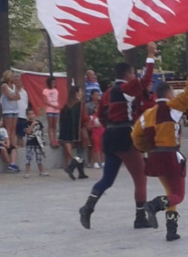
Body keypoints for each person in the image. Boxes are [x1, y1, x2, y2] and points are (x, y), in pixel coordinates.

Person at [78, 42, 156, 230]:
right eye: (132, 74)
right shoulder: (127, 89)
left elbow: (101, 116)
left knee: (108, 179)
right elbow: (145, 80)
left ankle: (88, 207)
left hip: (109, 135)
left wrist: (110, 127)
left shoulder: (106, 93)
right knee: (140, 178)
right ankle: (139, 217)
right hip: (124, 135)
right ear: (128, 75)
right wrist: (150, 55)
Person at [133, 51, 188, 241]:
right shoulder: (173, 107)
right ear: (169, 94)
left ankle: (171, 230)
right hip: (171, 156)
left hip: (154, 157)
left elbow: (136, 136)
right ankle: (154, 205)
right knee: (178, 195)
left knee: (170, 192)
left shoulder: (147, 114)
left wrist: (145, 148)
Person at [59, 86, 90, 180]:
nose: (82, 93)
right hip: (80, 131)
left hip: (71, 132)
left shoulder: (67, 105)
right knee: (81, 152)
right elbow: (84, 118)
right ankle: (70, 167)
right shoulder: (80, 104)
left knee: (80, 151)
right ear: (76, 93)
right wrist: (89, 120)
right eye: (80, 91)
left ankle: (81, 173)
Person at [23, 108, 49, 178]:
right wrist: (32, 125)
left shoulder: (39, 123)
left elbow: (41, 133)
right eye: (29, 114)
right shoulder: (26, 123)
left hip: (38, 143)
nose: (31, 116)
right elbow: (28, 132)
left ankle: (41, 171)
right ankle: (27, 172)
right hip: (30, 143)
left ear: (35, 115)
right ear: (27, 116)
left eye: (32, 114)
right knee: (28, 158)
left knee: (39, 158)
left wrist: (42, 142)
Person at [0, 69, 20, 148]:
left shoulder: (14, 86)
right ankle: (8, 143)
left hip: (15, 108)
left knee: (13, 128)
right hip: (8, 109)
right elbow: (10, 96)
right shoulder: (4, 86)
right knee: (8, 128)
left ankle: (13, 143)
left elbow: (18, 97)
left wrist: (14, 97)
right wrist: (14, 97)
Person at [42, 76, 60, 147]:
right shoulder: (45, 91)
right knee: (50, 125)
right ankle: (51, 140)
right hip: (49, 109)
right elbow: (45, 101)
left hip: (56, 110)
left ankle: (55, 140)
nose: (54, 84)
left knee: (55, 125)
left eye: (55, 83)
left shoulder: (56, 90)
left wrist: (57, 106)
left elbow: (57, 100)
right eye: (52, 82)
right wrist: (53, 106)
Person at [86, 89, 102, 167]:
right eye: (95, 95)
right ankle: (90, 161)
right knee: (90, 145)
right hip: (91, 123)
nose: (97, 96)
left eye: (98, 95)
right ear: (91, 95)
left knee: (100, 144)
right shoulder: (88, 105)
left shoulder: (101, 104)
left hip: (99, 126)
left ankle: (100, 161)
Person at [14, 74, 29, 148]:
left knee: (20, 135)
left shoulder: (24, 92)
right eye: (16, 80)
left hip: (22, 116)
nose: (18, 82)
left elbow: (25, 103)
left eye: (19, 80)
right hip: (13, 115)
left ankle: (21, 151)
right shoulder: (11, 91)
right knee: (13, 134)